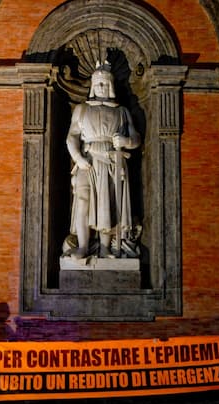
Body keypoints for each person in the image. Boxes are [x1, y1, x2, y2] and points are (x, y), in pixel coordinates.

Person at [64, 60, 141, 259]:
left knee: (109, 205)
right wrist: (78, 158)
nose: (102, 87)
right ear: (92, 85)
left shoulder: (121, 112)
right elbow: (71, 136)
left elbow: (136, 138)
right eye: (98, 83)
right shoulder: (82, 109)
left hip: (111, 162)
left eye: (105, 83)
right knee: (82, 201)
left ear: (112, 86)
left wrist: (126, 140)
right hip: (87, 161)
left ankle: (105, 248)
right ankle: (82, 246)